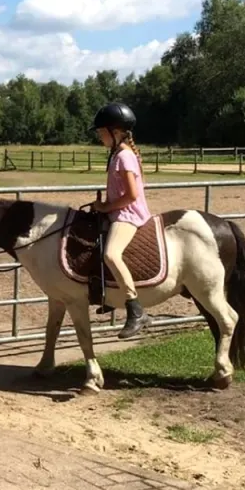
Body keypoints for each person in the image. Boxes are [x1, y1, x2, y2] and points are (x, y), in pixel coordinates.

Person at [90, 102, 152, 339]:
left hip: (128, 215)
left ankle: (135, 309)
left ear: (115, 132)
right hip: (116, 212)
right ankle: (108, 294)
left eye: (101, 132)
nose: (99, 136)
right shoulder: (118, 154)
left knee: (111, 254)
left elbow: (132, 195)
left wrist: (105, 206)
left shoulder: (124, 156)